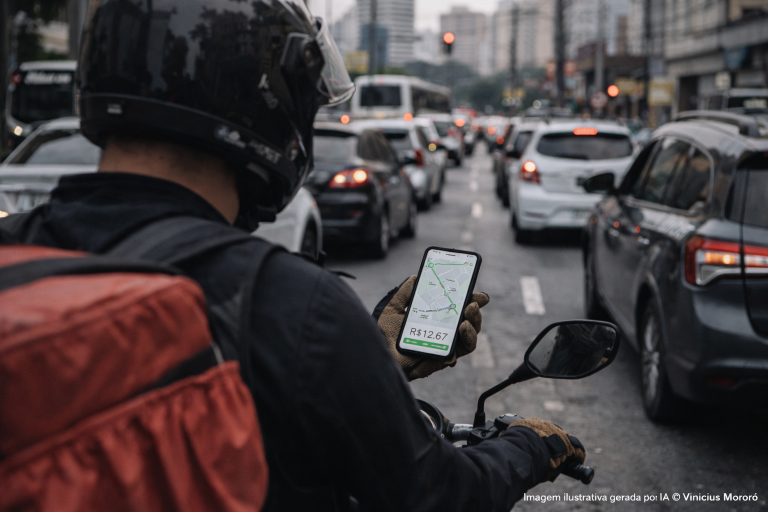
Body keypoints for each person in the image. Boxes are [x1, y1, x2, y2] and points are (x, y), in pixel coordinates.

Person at [1, 0, 585, 509]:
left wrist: (376, 354)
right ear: (265, 104)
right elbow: (440, 495)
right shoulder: (295, 305)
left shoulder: (14, 247)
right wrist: (530, 447)